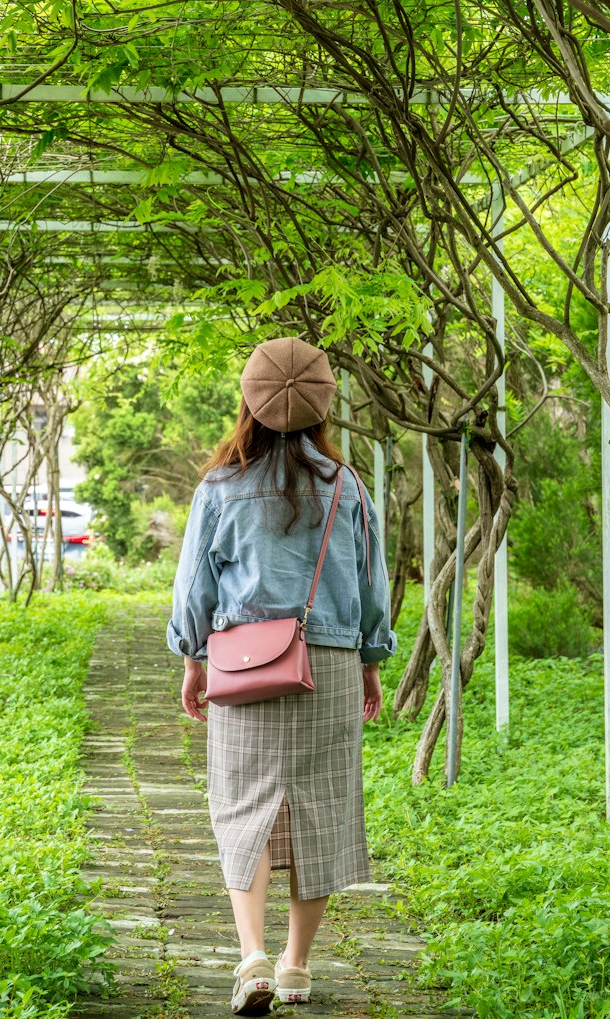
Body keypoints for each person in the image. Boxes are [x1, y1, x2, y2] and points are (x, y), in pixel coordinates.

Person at [167, 336, 395, 1014]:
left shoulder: (220, 486)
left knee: (243, 811)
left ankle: (252, 957)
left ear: (250, 402)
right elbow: (371, 583)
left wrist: (192, 657)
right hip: (327, 665)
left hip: (243, 666)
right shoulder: (348, 484)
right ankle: (297, 965)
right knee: (321, 810)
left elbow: (194, 587)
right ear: (322, 406)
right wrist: (370, 662)